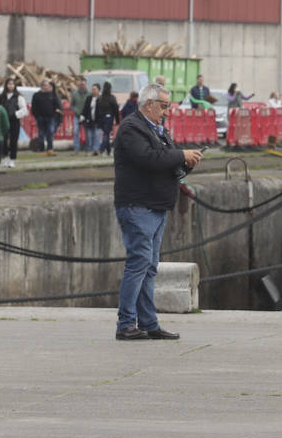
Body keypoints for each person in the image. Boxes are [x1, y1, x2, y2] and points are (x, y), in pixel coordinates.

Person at [113, 83, 203, 341]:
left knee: (149, 267)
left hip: (156, 206)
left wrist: (187, 161)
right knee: (138, 263)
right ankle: (126, 323)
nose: (166, 111)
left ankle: (149, 323)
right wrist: (179, 155)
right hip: (138, 206)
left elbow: (165, 161)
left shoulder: (157, 130)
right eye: (164, 106)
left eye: (168, 107)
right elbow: (149, 159)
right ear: (148, 104)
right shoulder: (131, 128)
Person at [31, 80, 62, 156]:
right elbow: (33, 107)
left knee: (50, 132)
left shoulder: (52, 95)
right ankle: (42, 149)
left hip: (51, 118)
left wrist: (55, 114)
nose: (47, 87)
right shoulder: (36, 95)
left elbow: (57, 105)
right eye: (45, 85)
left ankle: (50, 149)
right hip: (40, 118)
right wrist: (36, 116)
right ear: (42, 86)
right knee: (41, 134)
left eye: (47, 85)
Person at [0, 77, 25, 168]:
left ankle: (12, 159)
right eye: (9, 84)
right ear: (6, 85)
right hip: (4, 121)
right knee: (3, 140)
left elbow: (24, 110)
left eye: (12, 84)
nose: (11, 86)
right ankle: (5, 157)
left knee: (13, 141)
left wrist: (15, 115)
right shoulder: (2, 96)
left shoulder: (19, 97)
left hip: (14, 121)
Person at [97, 81, 121, 155]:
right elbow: (116, 109)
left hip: (101, 117)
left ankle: (108, 150)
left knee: (105, 133)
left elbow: (97, 109)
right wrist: (117, 120)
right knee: (106, 134)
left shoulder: (100, 98)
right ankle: (101, 149)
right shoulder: (112, 98)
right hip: (109, 117)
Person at [81, 82, 104, 155]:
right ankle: (89, 149)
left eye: (95, 89)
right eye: (92, 89)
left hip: (98, 121)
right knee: (89, 136)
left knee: (97, 135)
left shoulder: (101, 98)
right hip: (89, 120)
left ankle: (95, 150)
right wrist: (82, 116)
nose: (93, 91)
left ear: (98, 90)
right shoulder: (89, 98)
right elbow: (85, 108)